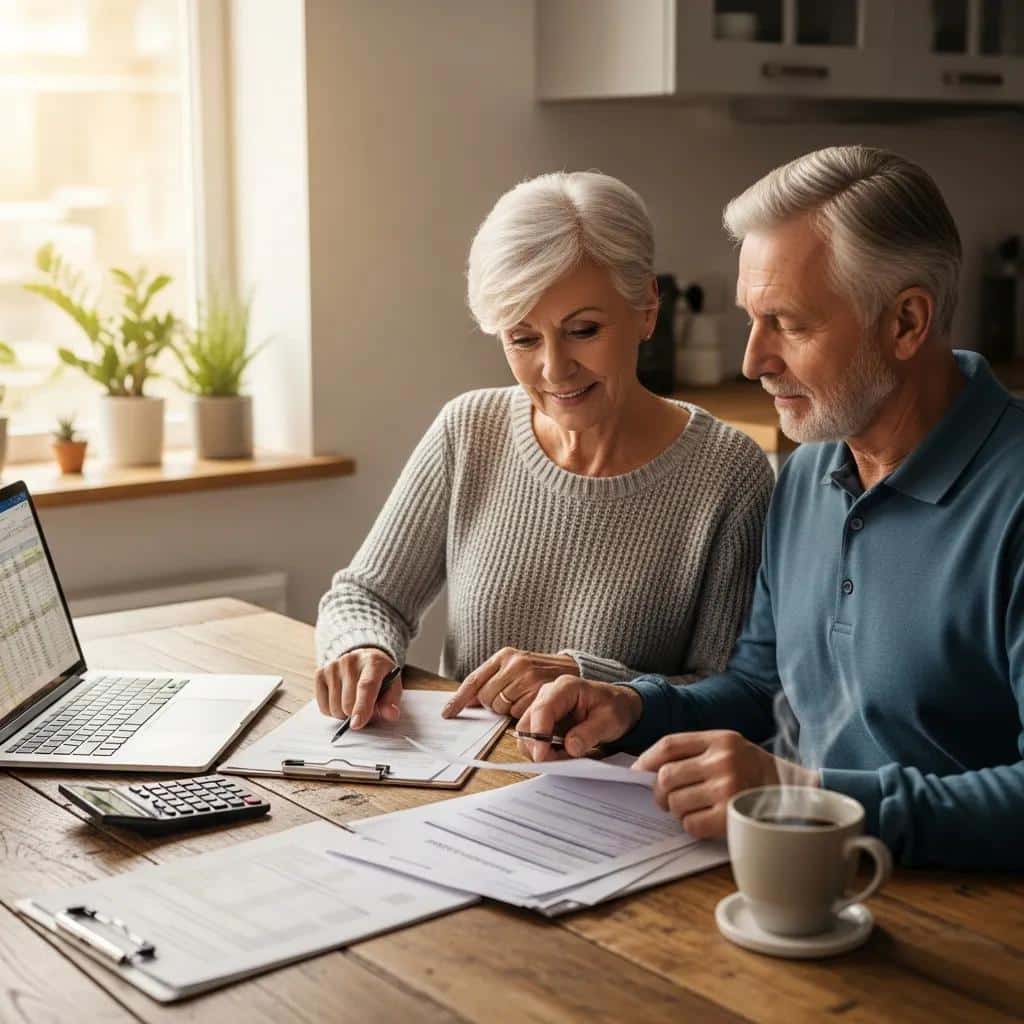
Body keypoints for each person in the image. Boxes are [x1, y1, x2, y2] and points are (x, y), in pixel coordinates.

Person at [517, 146, 1024, 870]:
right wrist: (633, 707)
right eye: (751, 320)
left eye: (787, 323)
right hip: (809, 889)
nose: (754, 359)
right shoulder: (809, 471)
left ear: (907, 322)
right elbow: (760, 691)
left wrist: (810, 799)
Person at [315, 171, 773, 731]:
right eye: (523, 339)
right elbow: (366, 595)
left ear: (647, 307)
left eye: (583, 330)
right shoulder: (469, 430)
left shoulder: (728, 473)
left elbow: (733, 694)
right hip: (462, 779)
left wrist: (588, 680)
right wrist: (363, 650)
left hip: (626, 795)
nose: (555, 369)